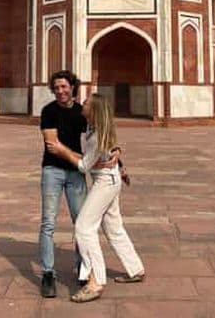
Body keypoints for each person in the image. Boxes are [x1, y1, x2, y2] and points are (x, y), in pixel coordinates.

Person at [47, 93, 144, 303]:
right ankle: (135, 269)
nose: (83, 104)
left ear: (94, 110)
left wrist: (62, 150)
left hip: (105, 183)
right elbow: (110, 147)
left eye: (87, 103)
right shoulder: (94, 127)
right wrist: (120, 161)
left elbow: (83, 166)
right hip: (111, 179)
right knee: (113, 227)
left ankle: (96, 281)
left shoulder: (97, 133)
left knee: (83, 227)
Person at [38, 70, 88, 298]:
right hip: (53, 171)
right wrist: (82, 161)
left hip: (76, 174)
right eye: (56, 88)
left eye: (64, 87)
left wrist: (117, 155)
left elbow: (98, 140)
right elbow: (52, 145)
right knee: (48, 222)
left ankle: (83, 269)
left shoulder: (82, 113)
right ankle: (48, 272)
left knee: (82, 223)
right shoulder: (48, 111)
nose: (60, 91)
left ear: (72, 87)